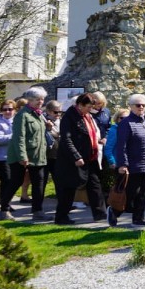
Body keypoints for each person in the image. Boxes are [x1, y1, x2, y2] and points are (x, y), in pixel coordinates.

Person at [54, 93, 106, 225]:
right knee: (69, 188)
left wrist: (98, 141)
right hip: (72, 160)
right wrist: (76, 156)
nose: (91, 109)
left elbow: (91, 133)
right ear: (80, 105)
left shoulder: (87, 116)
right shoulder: (69, 117)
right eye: (88, 107)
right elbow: (66, 139)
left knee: (94, 185)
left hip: (90, 157)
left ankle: (100, 214)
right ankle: (61, 216)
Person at [0, 87, 51, 221]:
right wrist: (22, 156)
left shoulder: (39, 114)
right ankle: (4, 209)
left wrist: (48, 127)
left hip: (38, 154)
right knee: (15, 182)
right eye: (37, 99)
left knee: (39, 182)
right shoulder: (22, 115)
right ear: (29, 100)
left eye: (42, 99)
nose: (40, 102)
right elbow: (19, 137)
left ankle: (37, 211)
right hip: (21, 156)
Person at [108, 94, 145, 227]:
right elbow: (121, 146)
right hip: (133, 165)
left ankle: (138, 218)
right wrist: (122, 164)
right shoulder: (125, 123)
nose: (141, 107)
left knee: (143, 194)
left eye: (143, 105)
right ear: (131, 106)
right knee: (130, 193)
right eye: (138, 105)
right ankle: (114, 211)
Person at [0, 100, 16, 220]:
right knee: (7, 181)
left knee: (13, 181)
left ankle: (6, 202)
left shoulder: (17, 121)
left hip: (15, 156)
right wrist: (16, 135)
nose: (7, 112)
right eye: (5, 109)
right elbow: (0, 139)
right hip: (1, 157)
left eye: (10, 109)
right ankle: (5, 206)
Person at [42, 100, 63, 195]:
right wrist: (49, 129)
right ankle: (37, 205)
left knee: (60, 181)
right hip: (45, 155)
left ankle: (62, 203)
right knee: (42, 181)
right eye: (55, 112)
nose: (58, 114)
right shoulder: (43, 121)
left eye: (60, 112)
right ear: (48, 111)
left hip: (58, 155)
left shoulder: (62, 121)